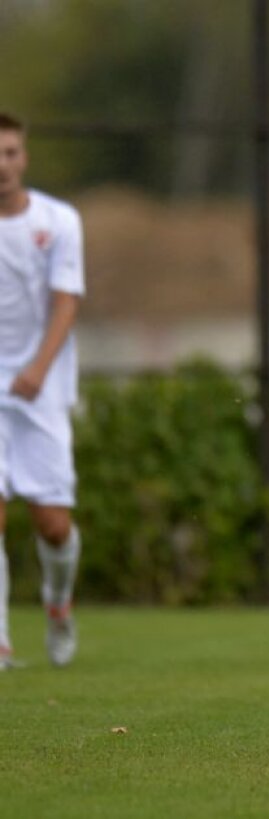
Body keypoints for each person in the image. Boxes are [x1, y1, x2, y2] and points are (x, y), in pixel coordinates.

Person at [0, 113, 85, 670]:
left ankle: (57, 602)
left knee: (52, 525)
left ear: (23, 157)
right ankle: (1, 641)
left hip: (40, 388)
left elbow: (66, 301)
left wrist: (37, 368)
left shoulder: (58, 221)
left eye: (9, 153)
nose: (1, 165)